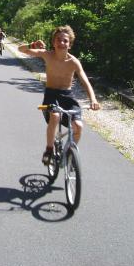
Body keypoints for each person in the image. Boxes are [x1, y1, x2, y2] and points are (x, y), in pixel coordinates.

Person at [17, 25, 100, 165]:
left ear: (70, 44)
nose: (62, 43)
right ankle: (49, 150)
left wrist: (93, 99)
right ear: (54, 43)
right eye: (58, 40)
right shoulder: (47, 55)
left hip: (67, 96)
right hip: (51, 95)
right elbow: (21, 49)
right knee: (55, 116)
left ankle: (69, 154)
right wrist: (32, 44)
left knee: (79, 126)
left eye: (65, 41)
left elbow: (85, 81)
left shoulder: (74, 62)